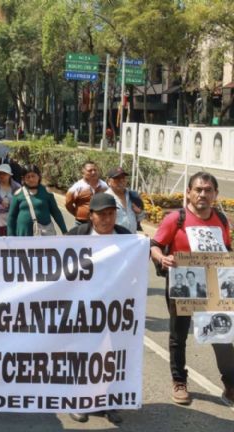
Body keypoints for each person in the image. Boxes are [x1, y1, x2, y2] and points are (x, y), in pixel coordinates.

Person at [150, 172, 234, 407]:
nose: (202, 194)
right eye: (198, 189)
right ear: (188, 192)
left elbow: (226, 250)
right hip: (183, 284)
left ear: (215, 194)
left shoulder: (222, 219)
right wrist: (162, 257)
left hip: (214, 285)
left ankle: (231, 385)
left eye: (208, 190)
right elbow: (154, 245)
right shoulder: (176, 219)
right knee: (179, 335)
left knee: (222, 334)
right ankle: (179, 381)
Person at [64, 193, 126, 425]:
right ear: (91, 216)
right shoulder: (75, 236)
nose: (107, 219)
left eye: (111, 214)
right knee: (82, 354)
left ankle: (108, 401)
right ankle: (78, 400)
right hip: (83, 306)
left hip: (116, 307)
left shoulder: (125, 237)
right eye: (102, 215)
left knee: (112, 355)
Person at [7, 164, 67, 236]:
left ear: (39, 176)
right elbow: (11, 217)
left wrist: (65, 231)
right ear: (23, 179)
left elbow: (56, 213)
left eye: (33, 176)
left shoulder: (47, 192)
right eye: (28, 177)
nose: (31, 179)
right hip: (24, 235)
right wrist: (10, 236)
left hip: (44, 235)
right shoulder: (18, 194)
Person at [65, 161, 108, 225]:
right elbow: (68, 204)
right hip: (81, 223)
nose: (93, 172)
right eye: (90, 171)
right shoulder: (76, 188)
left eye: (95, 170)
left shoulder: (104, 186)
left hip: (99, 223)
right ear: (83, 173)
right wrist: (78, 214)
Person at [104, 167, 144, 234]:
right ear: (109, 181)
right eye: (117, 178)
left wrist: (139, 213)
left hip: (131, 238)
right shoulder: (104, 198)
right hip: (115, 239)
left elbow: (140, 218)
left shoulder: (133, 196)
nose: (121, 180)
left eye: (123, 178)